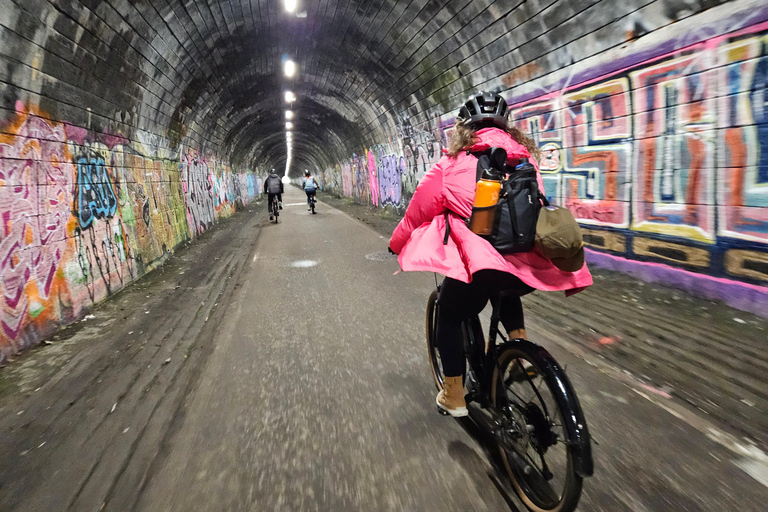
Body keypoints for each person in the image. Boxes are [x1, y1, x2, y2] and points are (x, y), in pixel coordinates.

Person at [388, 92, 593, 417]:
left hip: (479, 271)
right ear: (506, 127)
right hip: (526, 266)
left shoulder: (450, 164)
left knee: (450, 316)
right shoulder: (526, 161)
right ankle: (519, 352)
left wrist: (397, 244)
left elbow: (416, 213)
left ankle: (454, 395)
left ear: (463, 129)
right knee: (507, 282)